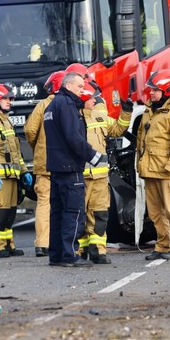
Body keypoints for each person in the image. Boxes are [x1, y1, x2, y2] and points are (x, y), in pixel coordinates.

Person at [72, 66, 134, 265]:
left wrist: (126, 111)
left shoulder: (99, 115)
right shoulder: (73, 116)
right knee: (80, 214)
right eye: (92, 96)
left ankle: (98, 250)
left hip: (99, 175)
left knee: (100, 213)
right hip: (80, 174)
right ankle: (80, 250)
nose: (96, 99)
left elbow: (117, 129)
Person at [43, 72, 105, 267]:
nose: (82, 90)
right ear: (68, 86)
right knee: (73, 212)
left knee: (58, 213)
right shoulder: (67, 105)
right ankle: (70, 255)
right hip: (70, 168)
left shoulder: (52, 105)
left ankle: (57, 255)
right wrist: (94, 156)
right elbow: (73, 137)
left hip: (56, 168)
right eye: (79, 87)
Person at [136, 70, 170, 260]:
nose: (150, 93)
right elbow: (141, 139)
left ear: (166, 90)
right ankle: (162, 245)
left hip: (168, 172)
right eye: (150, 90)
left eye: (155, 90)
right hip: (151, 169)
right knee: (156, 212)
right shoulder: (150, 109)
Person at [0, 84, 33, 259]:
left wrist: (24, 171)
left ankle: (8, 245)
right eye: (6, 98)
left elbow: (16, 152)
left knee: (9, 213)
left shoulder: (7, 121)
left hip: (12, 177)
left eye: (11, 99)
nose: (10, 101)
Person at [24, 70, 66, 257]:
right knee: (67, 203)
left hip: (44, 163)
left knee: (44, 203)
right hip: (65, 164)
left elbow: (30, 131)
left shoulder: (42, 105)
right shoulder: (68, 104)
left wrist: (39, 147)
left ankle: (42, 244)